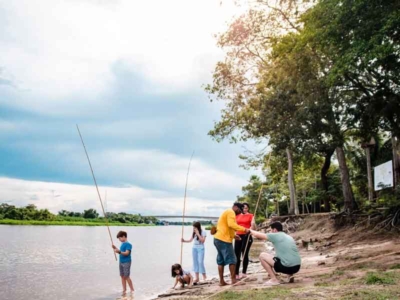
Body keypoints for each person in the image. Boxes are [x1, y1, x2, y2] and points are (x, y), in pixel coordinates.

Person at [250, 221, 301, 286]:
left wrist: (249, 230)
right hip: (297, 266)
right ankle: (290, 275)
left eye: (271, 230)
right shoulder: (288, 236)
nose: (270, 232)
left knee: (262, 256)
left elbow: (257, 235)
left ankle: (274, 279)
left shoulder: (275, 235)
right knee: (282, 256)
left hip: (287, 267)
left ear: (274, 230)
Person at [213, 202, 249, 286]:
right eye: (240, 210)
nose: (240, 213)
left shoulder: (228, 212)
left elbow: (227, 227)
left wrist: (234, 236)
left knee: (221, 260)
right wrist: (244, 229)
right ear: (235, 207)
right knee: (233, 259)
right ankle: (233, 280)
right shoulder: (231, 212)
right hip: (224, 240)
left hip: (217, 239)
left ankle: (221, 281)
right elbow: (231, 225)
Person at [234, 202, 256, 279]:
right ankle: (236, 273)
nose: (244, 209)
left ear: (248, 208)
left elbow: (253, 227)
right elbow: (234, 226)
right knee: (236, 254)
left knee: (245, 253)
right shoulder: (237, 216)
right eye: (243, 208)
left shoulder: (251, 215)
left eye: (246, 208)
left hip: (247, 235)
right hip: (238, 235)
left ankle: (244, 272)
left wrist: (252, 225)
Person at [112, 231, 134, 296]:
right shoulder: (122, 244)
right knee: (122, 276)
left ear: (124, 236)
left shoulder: (128, 244)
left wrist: (119, 252)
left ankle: (132, 290)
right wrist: (115, 248)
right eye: (118, 238)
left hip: (127, 262)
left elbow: (127, 253)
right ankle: (124, 290)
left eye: (120, 238)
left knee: (126, 276)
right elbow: (120, 251)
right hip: (121, 262)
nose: (119, 240)